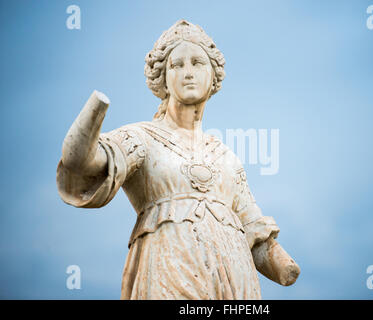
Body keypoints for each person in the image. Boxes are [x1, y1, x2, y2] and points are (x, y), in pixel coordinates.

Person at [57, 20, 298, 300]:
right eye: (177, 65)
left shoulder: (226, 157)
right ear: (164, 77)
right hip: (168, 271)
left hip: (234, 281)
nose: (188, 73)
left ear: (213, 76)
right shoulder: (142, 138)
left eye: (197, 63)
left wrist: (282, 265)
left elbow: (254, 231)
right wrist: (96, 109)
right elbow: (82, 163)